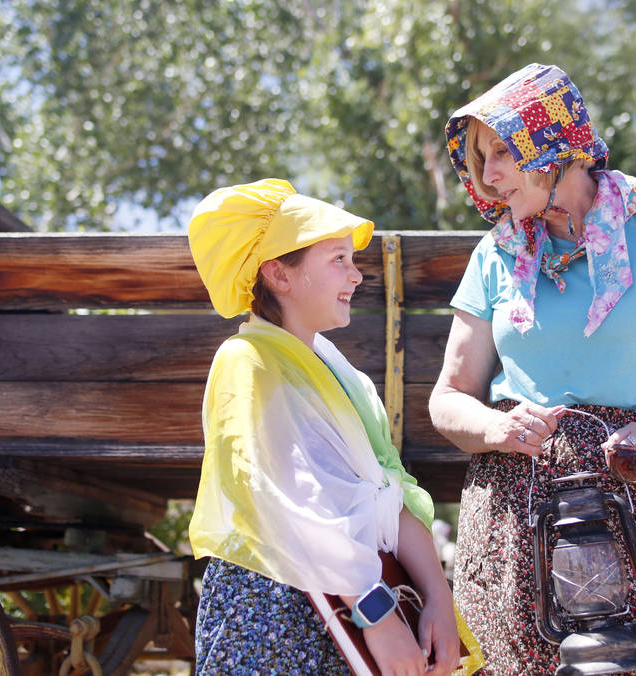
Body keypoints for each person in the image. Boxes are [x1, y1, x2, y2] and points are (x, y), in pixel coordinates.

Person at [428, 63, 636, 673]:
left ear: (553, 141)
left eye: (503, 149)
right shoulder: (494, 254)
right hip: (517, 511)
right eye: (480, 158)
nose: (489, 174)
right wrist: (496, 429)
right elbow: (449, 397)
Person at [187, 179, 472, 676]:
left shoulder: (348, 378)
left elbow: (391, 491)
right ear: (279, 274)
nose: (356, 275)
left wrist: (438, 600)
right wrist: (378, 616)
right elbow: (291, 503)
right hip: (274, 610)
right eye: (338, 259)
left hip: (350, 607)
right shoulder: (246, 360)